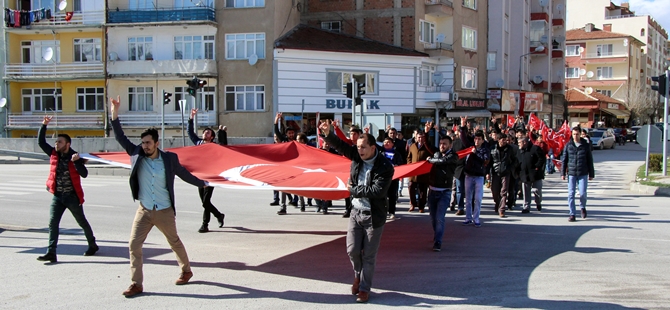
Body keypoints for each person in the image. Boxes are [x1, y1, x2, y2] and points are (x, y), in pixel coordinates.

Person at [110, 96, 208, 297]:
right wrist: (115, 111)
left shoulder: (169, 159)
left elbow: (184, 174)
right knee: (133, 245)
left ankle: (186, 270)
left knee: (174, 242)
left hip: (164, 210)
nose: (144, 146)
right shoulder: (136, 153)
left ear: (156, 143)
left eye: (148, 143)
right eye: (143, 143)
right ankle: (136, 284)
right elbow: (119, 135)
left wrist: (204, 183)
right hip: (144, 210)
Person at [320, 119, 394, 304]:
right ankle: (357, 275)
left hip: (373, 216)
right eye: (358, 146)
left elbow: (378, 192)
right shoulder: (356, 155)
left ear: (373, 148)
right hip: (356, 212)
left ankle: (364, 288)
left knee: (369, 256)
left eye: (363, 147)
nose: (359, 150)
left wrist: (353, 190)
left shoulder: (385, 166)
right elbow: (340, 145)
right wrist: (328, 134)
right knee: (352, 250)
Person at [36, 116, 98, 263]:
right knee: (53, 224)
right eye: (56, 141)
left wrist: (77, 162)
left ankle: (92, 244)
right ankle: (51, 252)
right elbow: (40, 142)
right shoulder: (53, 153)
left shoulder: (75, 157)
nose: (56, 144)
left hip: (72, 197)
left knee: (81, 222)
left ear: (67, 144)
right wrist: (44, 125)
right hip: (57, 196)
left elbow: (84, 174)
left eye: (60, 142)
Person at [187, 109, 225, 233]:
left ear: (212, 137)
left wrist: (222, 132)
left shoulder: (214, 147)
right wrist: (191, 118)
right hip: (199, 176)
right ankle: (219, 215)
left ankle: (205, 224)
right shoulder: (198, 143)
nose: (205, 134)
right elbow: (190, 133)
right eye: (204, 132)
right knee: (204, 202)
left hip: (210, 176)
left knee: (205, 202)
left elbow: (224, 146)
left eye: (208, 133)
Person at [426, 136, 459, 251]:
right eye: (440, 143)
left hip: (444, 192)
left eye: (444, 144)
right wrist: (426, 133)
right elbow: (429, 146)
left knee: (440, 218)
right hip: (432, 191)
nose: (442, 146)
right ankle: (437, 235)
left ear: (450, 145)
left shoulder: (453, 156)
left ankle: (438, 242)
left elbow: (442, 162)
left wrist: (430, 160)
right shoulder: (437, 154)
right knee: (433, 218)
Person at [460, 116, 490, 228]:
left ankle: (476, 218)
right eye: (475, 139)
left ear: (482, 140)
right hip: (468, 175)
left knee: (477, 198)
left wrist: (475, 153)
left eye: (479, 139)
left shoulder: (485, 149)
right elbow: (463, 139)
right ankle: (468, 217)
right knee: (468, 198)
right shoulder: (471, 147)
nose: (476, 141)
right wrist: (462, 126)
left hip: (479, 177)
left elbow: (485, 161)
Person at [561, 126, 595, 222]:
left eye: (577, 134)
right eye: (574, 134)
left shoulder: (585, 145)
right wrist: (562, 173)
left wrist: (591, 174)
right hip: (571, 173)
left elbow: (590, 160)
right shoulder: (568, 145)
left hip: (582, 173)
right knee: (571, 194)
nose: (575, 136)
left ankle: (582, 207)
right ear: (572, 135)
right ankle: (572, 214)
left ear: (580, 134)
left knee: (582, 193)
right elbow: (564, 160)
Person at [487, 132, 518, 217]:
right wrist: (487, 172)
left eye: (505, 140)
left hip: (506, 172)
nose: (504, 141)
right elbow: (489, 162)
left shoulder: (510, 149)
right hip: (495, 172)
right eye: (502, 140)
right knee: (495, 190)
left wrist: (510, 167)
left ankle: (502, 209)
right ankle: (497, 202)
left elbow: (514, 160)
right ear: (498, 140)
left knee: (504, 191)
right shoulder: (492, 149)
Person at [516, 131, 545, 213]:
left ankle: (538, 202)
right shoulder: (520, 151)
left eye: (519, 143)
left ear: (524, 142)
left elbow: (541, 158)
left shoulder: (535, 148)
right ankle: (526, 206)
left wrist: (537, 167)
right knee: (526, 191)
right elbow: (517, 161)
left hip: (535, 174)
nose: (518, 144)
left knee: (537, 190)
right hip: (524, 175)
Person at [406, 131, 434, 212]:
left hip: (423, 172)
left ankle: (421, 206)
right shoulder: (412, 146)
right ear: (416, 138)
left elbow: (433, 155)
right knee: (411, 187)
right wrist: (409, 165)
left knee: (423, 190)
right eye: (419, 137)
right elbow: (409, 157)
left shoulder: (427, 147)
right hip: (413, 172)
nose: (420, 139)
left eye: (422, 137)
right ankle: (413, 204)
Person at [381, 137, 405, 218]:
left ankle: (392, 211)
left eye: (388, 142)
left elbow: (400, 163)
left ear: (392, 144)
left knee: (392, 195)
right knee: (382, 195)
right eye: (385, 142)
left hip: (394, 177)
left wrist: (396, 166)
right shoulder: (380, 153)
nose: (386, 144)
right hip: (382, 177)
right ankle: (383, 211)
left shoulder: (397, 154)